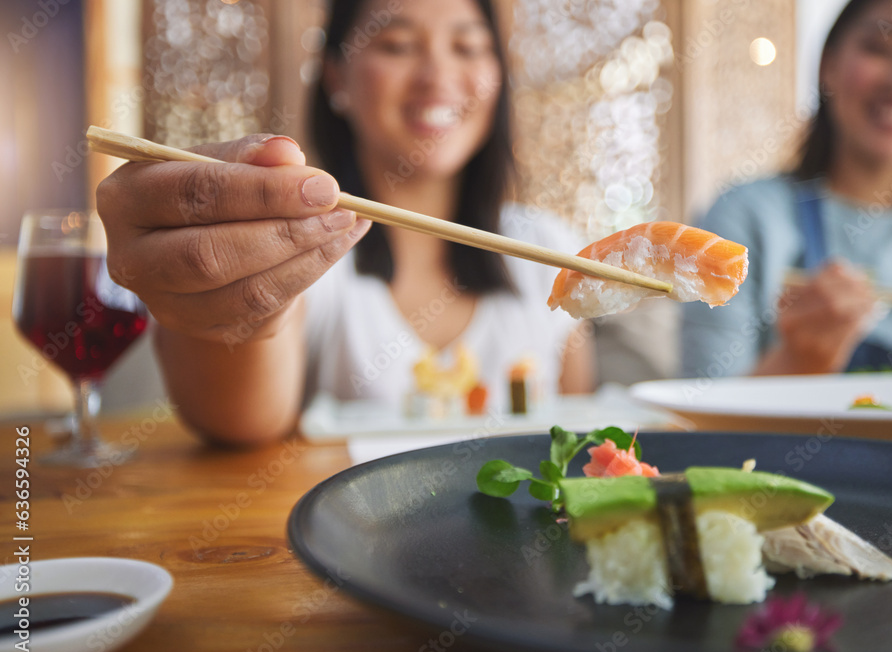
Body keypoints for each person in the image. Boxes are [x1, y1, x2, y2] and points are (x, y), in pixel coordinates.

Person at [96, 0, 594, 447]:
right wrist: (231, 306)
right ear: (336, 75)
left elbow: (575, 441)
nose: (437, 74)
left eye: (467, 46)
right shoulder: (306, 247)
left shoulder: (547, 250)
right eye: (397, 45)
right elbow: (240, 423)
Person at [681, 0, 892, 379]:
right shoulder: (744, 218)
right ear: (827, 64)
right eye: (879, 47)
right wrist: (798, 363)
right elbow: (703, 416)